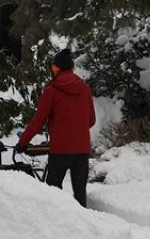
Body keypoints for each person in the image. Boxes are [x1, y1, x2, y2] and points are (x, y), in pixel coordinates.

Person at [15, 48, 95, 207]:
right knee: (80, 193)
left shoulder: (51, 91)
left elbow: (38, 121)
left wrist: (22, 142)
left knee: (53, 195)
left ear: (56, 68)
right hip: (82, 150)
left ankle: (58, 222)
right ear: (72, 68)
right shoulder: (85, 89)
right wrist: (76, 129)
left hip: (60, 151)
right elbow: (91, 120)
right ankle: (82, 222)